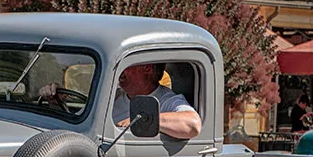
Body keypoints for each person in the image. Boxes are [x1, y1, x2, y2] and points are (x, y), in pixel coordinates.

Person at [40, 63, 201, 139]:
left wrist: (142, 119)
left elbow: (193, 124)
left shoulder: (166, 100)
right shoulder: (114, 95)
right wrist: (57, 102)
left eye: (127, 65)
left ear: (147, 68)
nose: (120, 71)